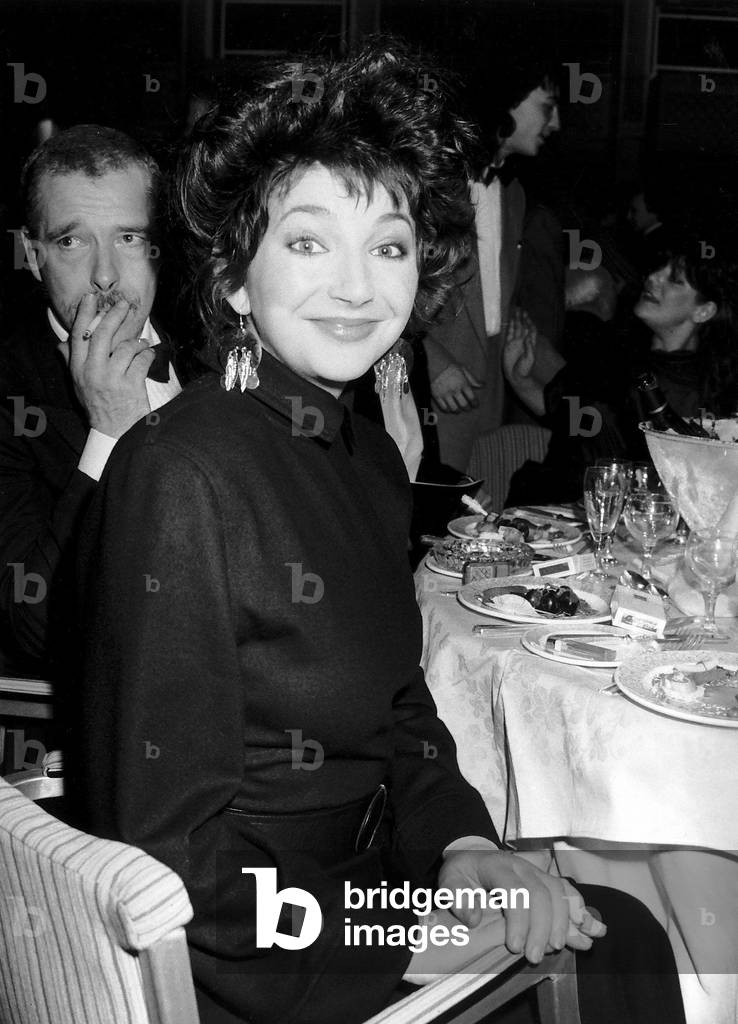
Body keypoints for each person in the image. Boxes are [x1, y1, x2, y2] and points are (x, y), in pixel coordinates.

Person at [76, 47, 685, 1024]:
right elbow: (171, 865)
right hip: (269, 962)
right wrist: (408, 935)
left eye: (389, 245)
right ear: (235, 275)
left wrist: (463, 848)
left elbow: (400, 712)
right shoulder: (181, 470)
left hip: (364, 902)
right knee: (631, 939)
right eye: (311, 243)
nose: (357, 285)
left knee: (636, 921)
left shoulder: (363, 455)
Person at [0, 125, 181, 672]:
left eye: (128, 238)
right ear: (34, 257)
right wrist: (110, 433)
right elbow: (31, 625)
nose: (105, 275)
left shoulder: (222, 359)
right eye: (72, 241)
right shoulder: (10, 394)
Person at [504, 238, 738, 504]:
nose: (652, 278)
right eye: (657, 270)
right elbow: (569, 417)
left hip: (636, 524)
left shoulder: (708, 390)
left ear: (704, 311)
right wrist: (520, 380)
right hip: (563, 513)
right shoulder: (617, 354)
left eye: (673, 280)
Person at [418, 48, 562, 472]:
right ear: (504, 102)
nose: (555, 124)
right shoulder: (433, 182)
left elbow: (492, 302)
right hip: (435, 389)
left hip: (490, 389)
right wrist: (433, 362)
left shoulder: (513, 194)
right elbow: (389, 286)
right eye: (548, 108)